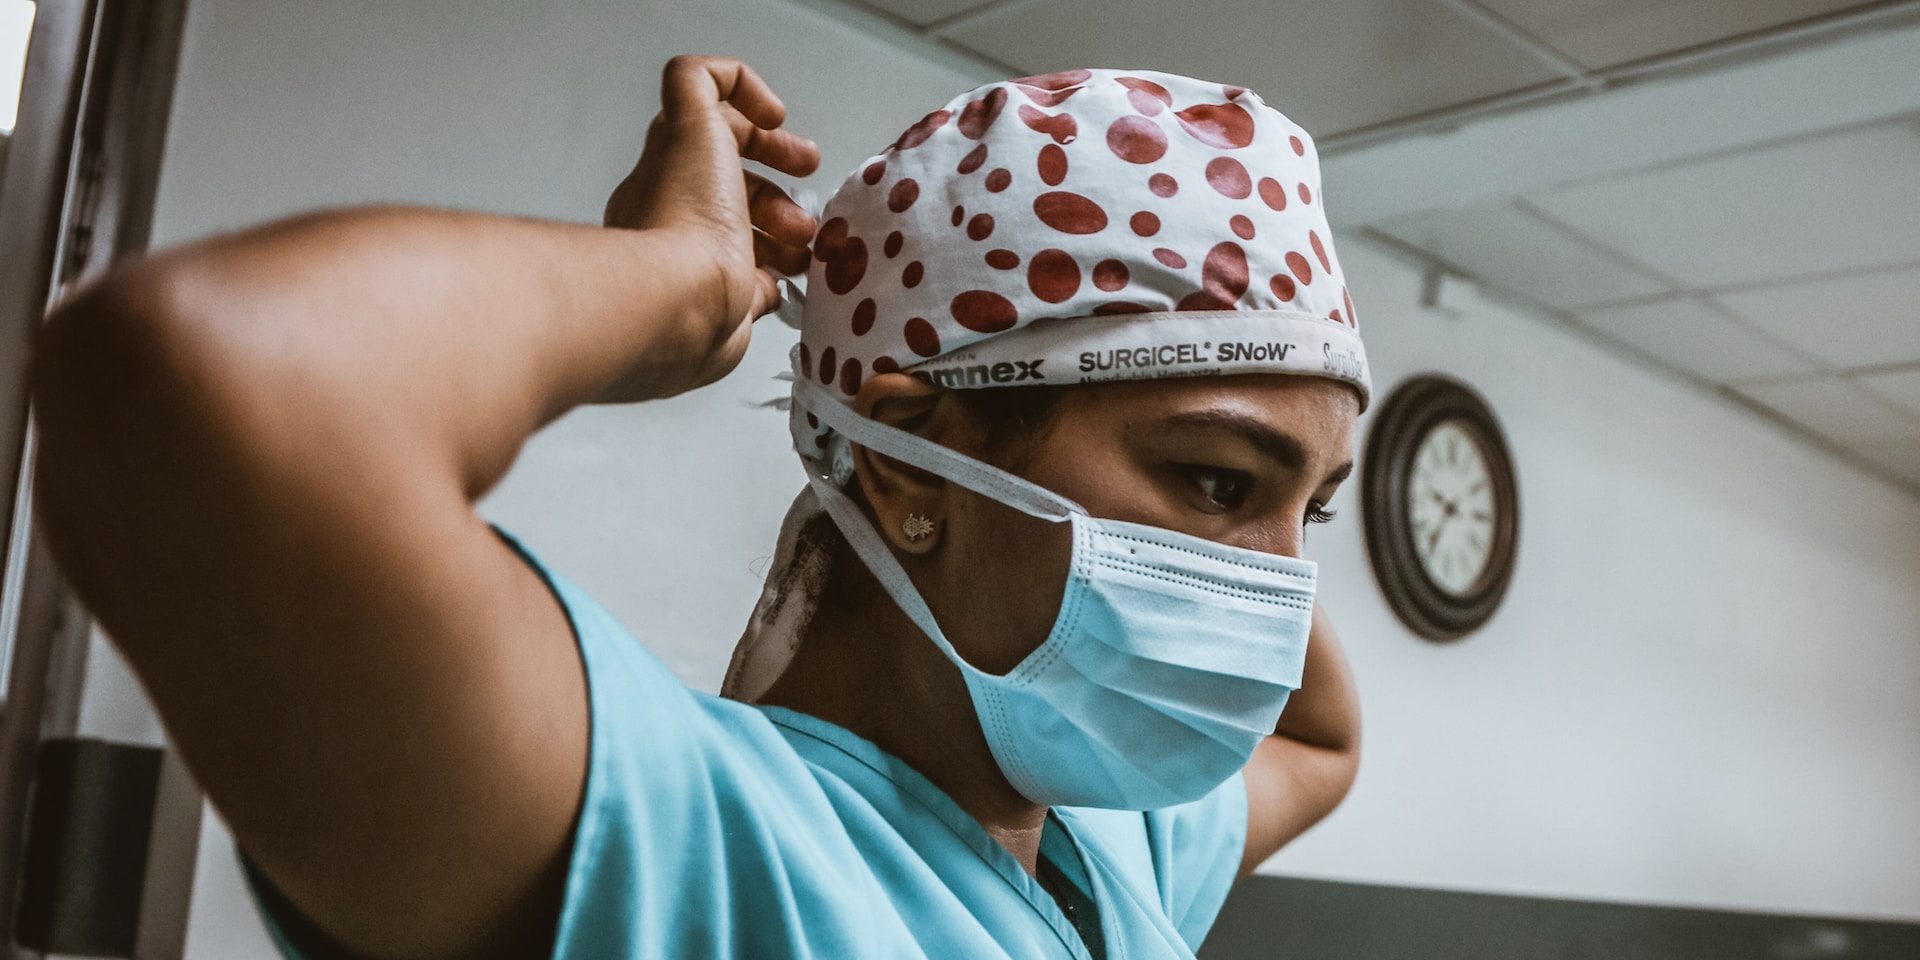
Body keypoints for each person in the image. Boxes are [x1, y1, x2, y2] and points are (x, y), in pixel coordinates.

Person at [31, 56, 1366, 960]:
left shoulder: (1105, 865)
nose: (1274, 587)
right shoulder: (693, 850)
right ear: (906, 469)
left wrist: (1264, 435)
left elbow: (1320, 737)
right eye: (1217, 482)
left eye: (1308, 517)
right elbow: (206, 381)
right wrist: (675, 282)